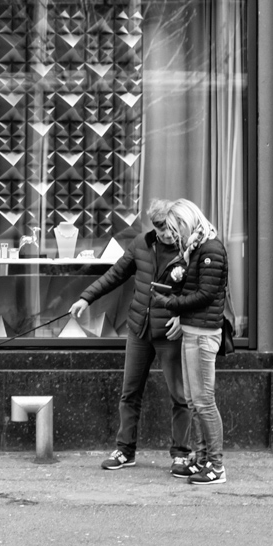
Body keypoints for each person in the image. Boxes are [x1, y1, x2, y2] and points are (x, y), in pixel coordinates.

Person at [69, 198, 192, 472]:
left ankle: (181, 454)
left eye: (170, 228)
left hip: (170, 332)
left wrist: (184, 318)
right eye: (161, 229)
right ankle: (125, 450)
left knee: (180, 396)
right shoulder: (140, 244)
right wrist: (86, 298)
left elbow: (199, 292)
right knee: (130, 393)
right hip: (139, 329)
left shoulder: (188, 249)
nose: (167, 234)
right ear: (153, 226)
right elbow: (115, 275)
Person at [151, 199, 229, 485]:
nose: (175, 235)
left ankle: (216, 466)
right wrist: (176, 278)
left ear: (186, 222)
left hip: (203, 334)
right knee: (195, 403)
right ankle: (202, 459)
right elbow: (194, 287)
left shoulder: (210, 249)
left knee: (204, 402)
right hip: (193, 330)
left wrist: (170, 303)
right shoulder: (196, 248)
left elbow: (206, 295)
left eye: (176, 229)